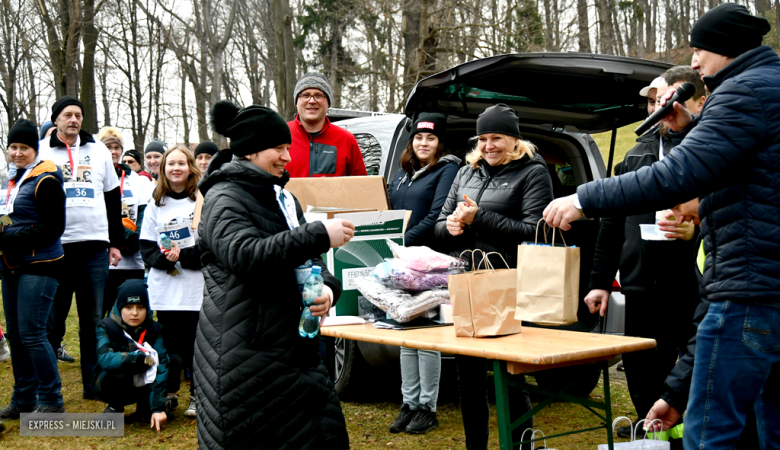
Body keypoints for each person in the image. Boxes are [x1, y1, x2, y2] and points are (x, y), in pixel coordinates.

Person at [543, 4, 779, 449]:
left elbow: (677, 175)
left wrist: (582, 198)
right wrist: (690, 126)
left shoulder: (743, 92)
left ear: (726, 48)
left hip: (749, 290)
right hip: (769, 287)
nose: (693, 62)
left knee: (711, 431)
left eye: (699, 49)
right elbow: (754, 174)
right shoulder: (769, 88)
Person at [194, 100, 354, 449]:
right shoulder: (224, 197)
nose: (287, 156)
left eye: (287, 147)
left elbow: (308, 258)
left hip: (294, 350)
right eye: (278, 148)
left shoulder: (282, 197)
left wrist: (326, 289)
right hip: (247, 356)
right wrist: (318, 233)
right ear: (251, 150)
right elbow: (244, 255)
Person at [584, 65, 706, 437]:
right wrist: (601, 282)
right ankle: (648, 430)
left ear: (698, 101)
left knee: (697, 365)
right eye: (652, 101)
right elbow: (610, 223)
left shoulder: (708, 149)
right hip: (638, 287)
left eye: (663, 100)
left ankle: (685, 429)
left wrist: (694, 231)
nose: (656, 108)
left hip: (690, 287)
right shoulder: (634, 156)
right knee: (640, 370)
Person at [434, 104, 554, 450]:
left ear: (514, 140)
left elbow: (536, 231)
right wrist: (452, 226)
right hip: (466, 282)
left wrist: (479, 218)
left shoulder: (533, 172)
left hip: (508, 284)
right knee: (468, 377)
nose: (488, 145)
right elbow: (442, 224)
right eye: (483, 138)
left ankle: (521, 446)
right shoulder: (465, 171)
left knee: (509, 377)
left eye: (497, 138)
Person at [39, 95, 124, 398]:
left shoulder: (98, 150)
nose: (73, 120)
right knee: (52, 320)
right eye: (67, 115)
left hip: (93, 247)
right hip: (56, 248)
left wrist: (115, 243)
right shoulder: (42, 151)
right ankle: (48, 387)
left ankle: (93, 384)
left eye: (78, 115)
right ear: (56, 120)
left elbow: (113, 198)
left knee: (91, 321)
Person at [386, 113, 460, 435]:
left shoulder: (446, 170)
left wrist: (401, 241)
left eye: (430, 138)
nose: (423, 143)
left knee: (427, 338)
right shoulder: (405, 174)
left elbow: (437, 215)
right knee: (407, 334)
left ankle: (427, 408)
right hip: (404, 264)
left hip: (430, 264)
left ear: (439, 142)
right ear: (412, 141)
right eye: (418, 138)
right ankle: (408, 403)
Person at [0, 119, 66, 420]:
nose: (17, 152)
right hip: (11, 265)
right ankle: (23, 398)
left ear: (34, 149)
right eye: (13, 147)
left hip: (41, 264)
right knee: (14, 334)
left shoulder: (46, 178)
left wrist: (10, 236)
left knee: (32, 334)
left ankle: (51, 399)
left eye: (24, 147)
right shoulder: (13, 179)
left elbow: (54, 226)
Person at [139, 145, 203, 418]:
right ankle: (169, 392)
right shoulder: (156, 203)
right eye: (170, 164)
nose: (176, 168)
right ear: (163, 169)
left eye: (181, 163)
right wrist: (166, 258)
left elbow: (210, 247)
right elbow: (146, 247)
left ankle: (198, 396)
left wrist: (183, 255)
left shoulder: (202, 201)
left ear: (191, 167)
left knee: (195, 348)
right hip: (165, 289)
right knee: (168, 346)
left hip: (195, 288)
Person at [94, 279, 169, 432]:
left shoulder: (155, 329)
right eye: (128, 307)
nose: (134, 313)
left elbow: (160, 367)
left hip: (144, 382)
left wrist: (158, 408)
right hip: (115, 382)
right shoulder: (106, 325)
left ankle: (146, 407)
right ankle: (115, 407)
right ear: (120, 307)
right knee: (118, 374)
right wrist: (137, 359)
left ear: (147, 308)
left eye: (140, 307)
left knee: (171, 361)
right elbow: (104, 359)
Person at [96, 127, 151, 319]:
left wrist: (136, 239)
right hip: (105, 258)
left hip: (132, 259)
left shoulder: (134, 178)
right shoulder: (96, 175)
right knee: (102, 314)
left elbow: (144, 211)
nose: (113, 151)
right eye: (108, 146)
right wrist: (119, 237)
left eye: (117, 147)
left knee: (131, 314)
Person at [285, 72, 367, 177]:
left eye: (318, 96)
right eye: (305, 95)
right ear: (296, 102)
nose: (312, 101)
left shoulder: (346, 140)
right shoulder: (279, 136)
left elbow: (360, 186)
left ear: (328, 103)